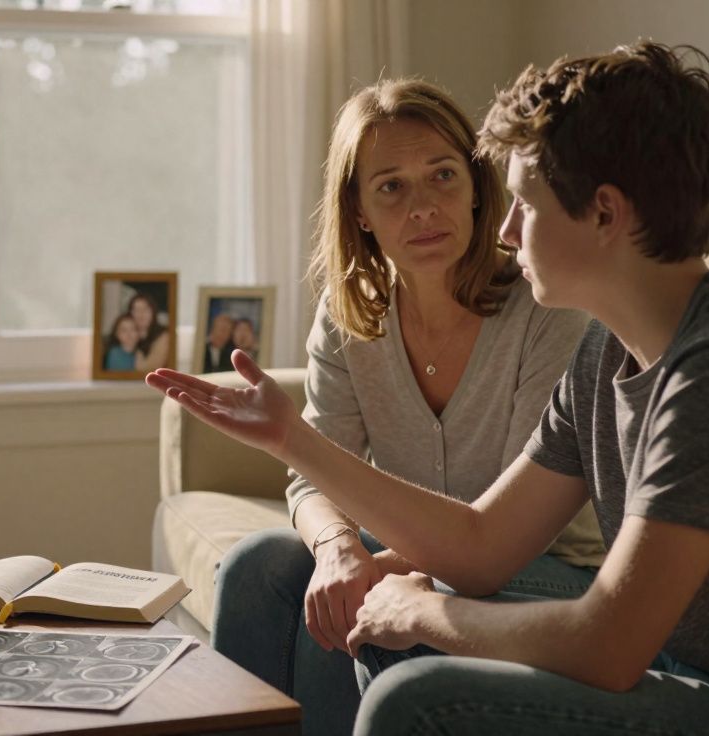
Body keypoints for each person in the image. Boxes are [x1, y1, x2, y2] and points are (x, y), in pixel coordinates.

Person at [147, 41, 709, 735]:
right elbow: (482, 547)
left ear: (604, 214)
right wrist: (290, 438)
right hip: (674, 663)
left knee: (418, 693)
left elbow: (609, 645)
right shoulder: (608, 351)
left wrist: (421, 613)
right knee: (313, 590)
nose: (503, 231)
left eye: (525, 204)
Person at [202, 78, 603, 736]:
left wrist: (371, 569)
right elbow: (312, 474)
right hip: (420, 548)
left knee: (358, 599)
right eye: (391, 186)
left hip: (547, 568)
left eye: (443, 175)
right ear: (359, 210)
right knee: (259, 567)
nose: (423, 208)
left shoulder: (546, 309)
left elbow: (514, 531)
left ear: (476, 187)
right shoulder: (350, 312)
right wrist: (337, 549)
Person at [129, 292, 170, 371]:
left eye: (145, 309)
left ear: (153, 311)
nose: (141, 314)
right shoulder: (127, 336)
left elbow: (149, 369)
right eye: (136, 310)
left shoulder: (164, 336)